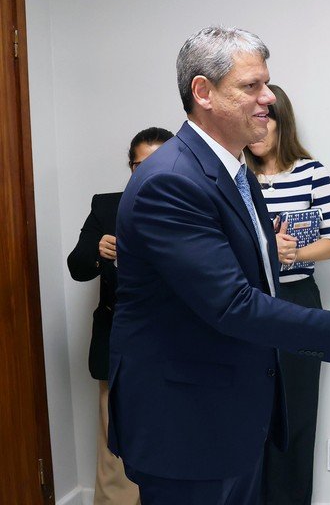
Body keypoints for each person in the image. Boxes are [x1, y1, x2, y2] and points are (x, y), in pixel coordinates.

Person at [109, 25, 330, 505]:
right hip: (185, 427)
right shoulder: (171, 181)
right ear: (202, 92)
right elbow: (233, 304)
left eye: (266, 84)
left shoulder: (234, 174)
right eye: (251, 86)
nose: (268, 98)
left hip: (231, 418)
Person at [245, 84, 330, 505]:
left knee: (298, 412)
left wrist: (293, 252)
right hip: (247, 302)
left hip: (298, 298)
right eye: (252, 120)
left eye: (265, 120)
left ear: (281, 122)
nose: (257, 130)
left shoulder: (311, 171)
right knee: (248, 411)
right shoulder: (233, 173)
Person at [67, 126, 173, 505]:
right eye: (140, 164)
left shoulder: (193, 205)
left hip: (175, 345)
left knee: (173, 445)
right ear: (131, 167)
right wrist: (97, 248)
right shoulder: (107, 206)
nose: (149, 172)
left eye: (160, 163)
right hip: (117, 343)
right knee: (116, 448)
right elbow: (78, 267)